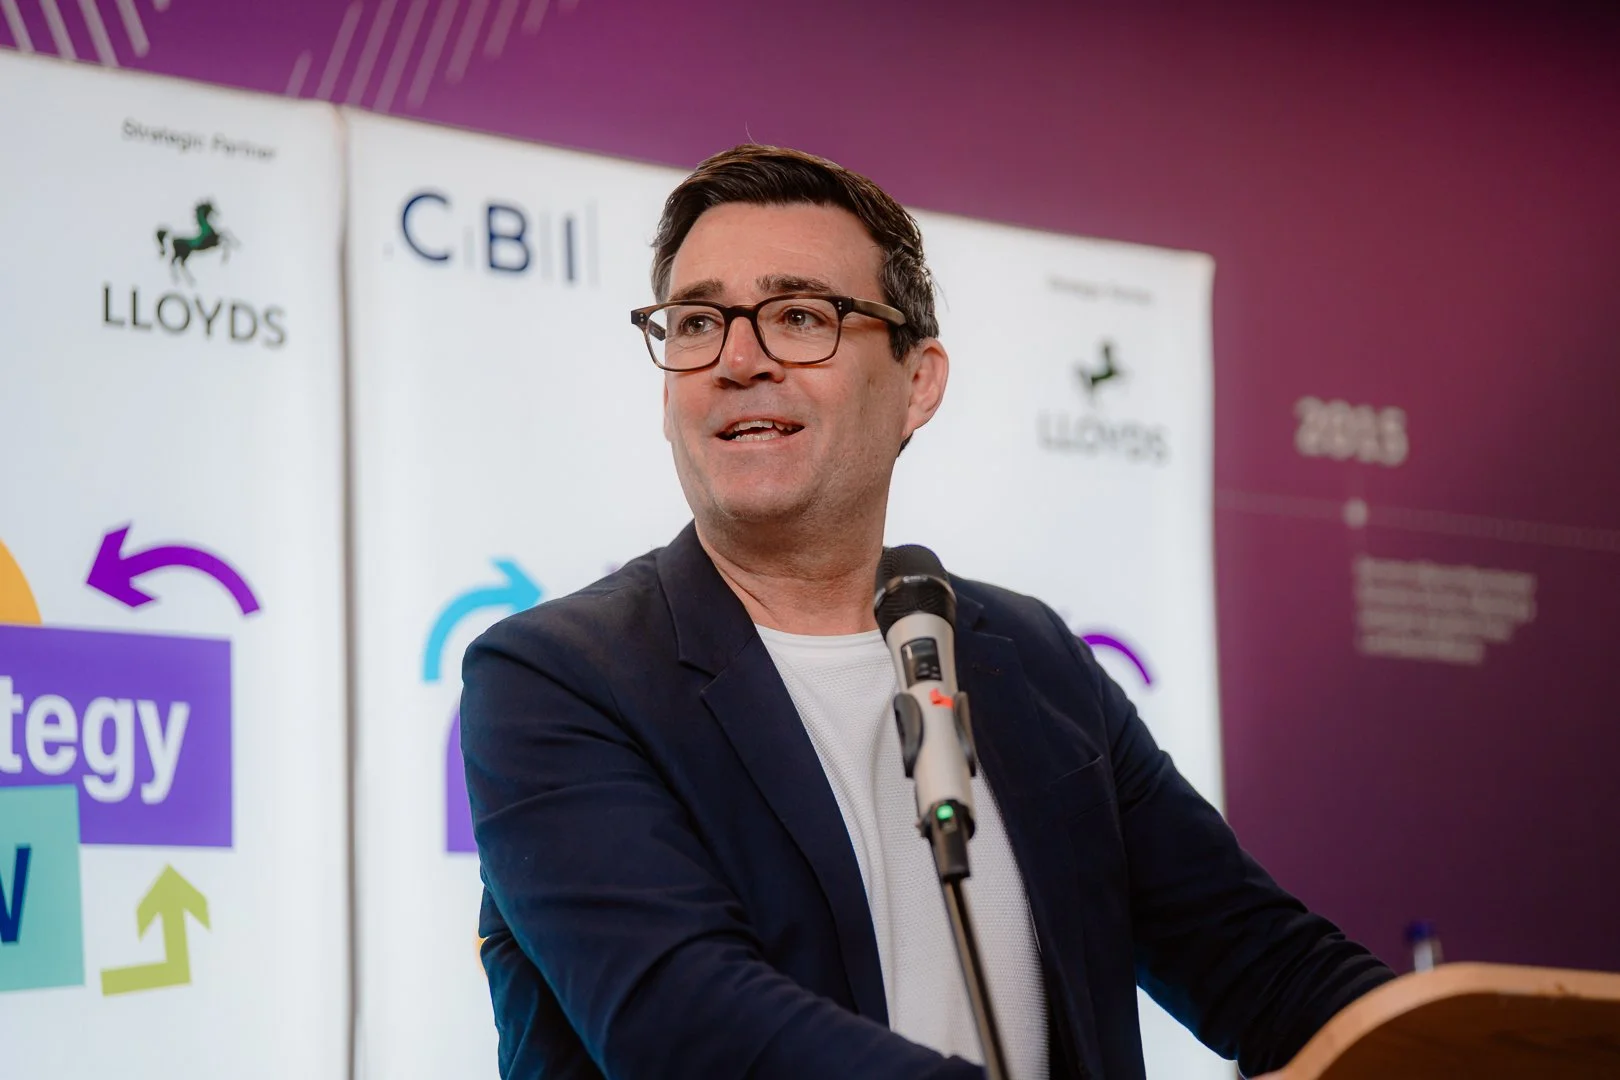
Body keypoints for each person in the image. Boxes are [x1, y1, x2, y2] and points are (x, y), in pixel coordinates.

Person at [460, 144, 1393, 1080]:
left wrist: (1466, 1041)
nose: (738, 360)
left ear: (919, 381)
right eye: (697, 322)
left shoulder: (1027, 658)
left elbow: (1259, 965)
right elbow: (688, 1026)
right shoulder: (555, 678)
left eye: (798, 316)